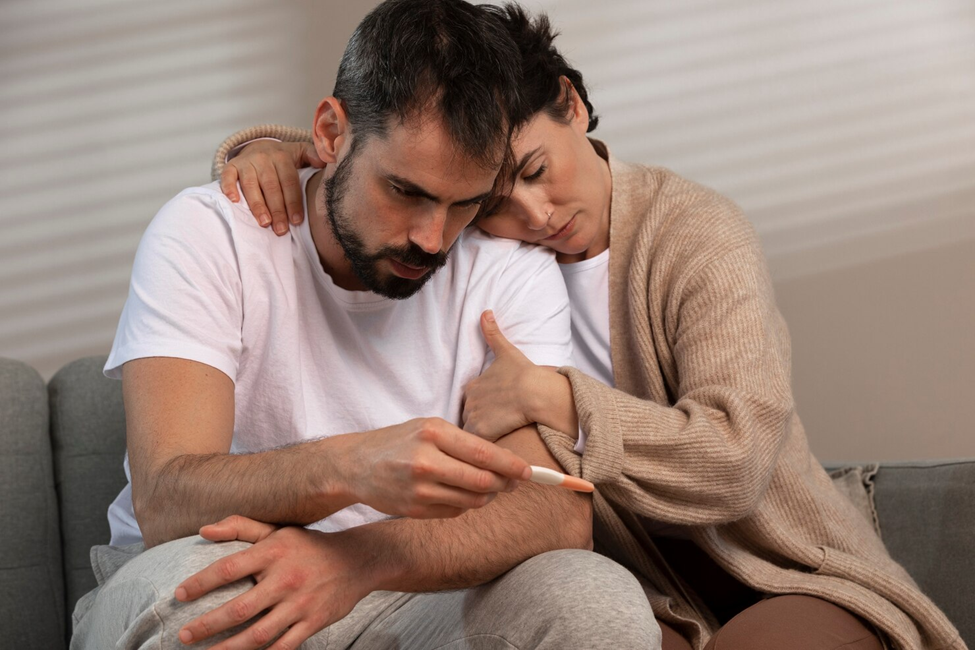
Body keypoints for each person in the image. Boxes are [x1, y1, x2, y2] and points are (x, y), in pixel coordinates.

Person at [215, 4, 967, 650]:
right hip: (639, 590)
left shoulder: (695, 234)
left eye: (536, 172)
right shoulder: (482, 251)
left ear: (571, 105)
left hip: (779, 572)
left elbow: (735, 463)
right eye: (493, 202)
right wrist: (269, 151)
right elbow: (381, 168)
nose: (535, 216)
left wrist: (558, 400)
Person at [70, 1, 661, 649]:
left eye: (464, 204)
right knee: (202, 609)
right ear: (329, 133)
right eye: (406, 192)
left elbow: (554, 513)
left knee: (592, 597)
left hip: (413, 581)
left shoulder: (510, 267)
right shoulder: (208, 232)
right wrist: (350, 466)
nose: (432, 239)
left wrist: (359, 559)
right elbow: (165, 501)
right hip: (221, 558)